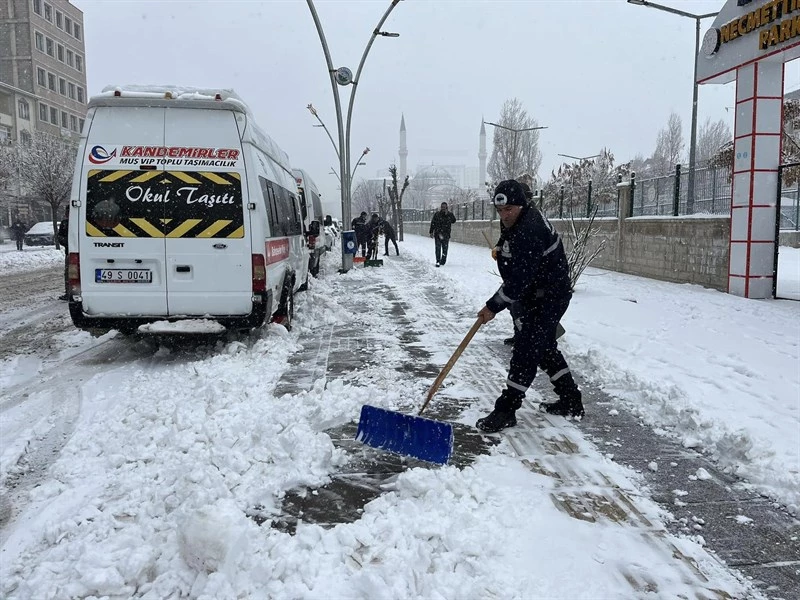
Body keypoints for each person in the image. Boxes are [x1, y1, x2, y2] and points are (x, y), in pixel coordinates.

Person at [476, 179, 584, 433]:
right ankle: (571, 400)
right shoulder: (521, 220)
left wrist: (493, 306)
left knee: (526, 350)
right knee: (544, 347)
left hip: (548, 296)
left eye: (509, 210)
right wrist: (502, 251)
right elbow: (519, 265)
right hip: (535, 293)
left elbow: (519, 280)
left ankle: (506, 410)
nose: (504, 215)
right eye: (500, 210)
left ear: (521, 206)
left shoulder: (529, 229)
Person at [429, 201, 456, 266]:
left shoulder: (449, 214)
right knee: (438, 248)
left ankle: (443, 261)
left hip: (446, 234)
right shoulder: (437, 214)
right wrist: (431, 232)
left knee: (445, 248)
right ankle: (438, 261)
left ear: (446, 207)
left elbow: (454, 221)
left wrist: (448, 215)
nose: (443, 208)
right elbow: (433, 223)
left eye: (444, 207)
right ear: (440, 207)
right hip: (438, 234)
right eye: (442, 207)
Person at [57, 208, 69, 301]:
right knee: (69, 273)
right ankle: (69, 292)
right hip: (69, 251)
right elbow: (60, 237)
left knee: (70, 273)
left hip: (71, 251)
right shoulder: (65, 223)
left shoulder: (80, 221)